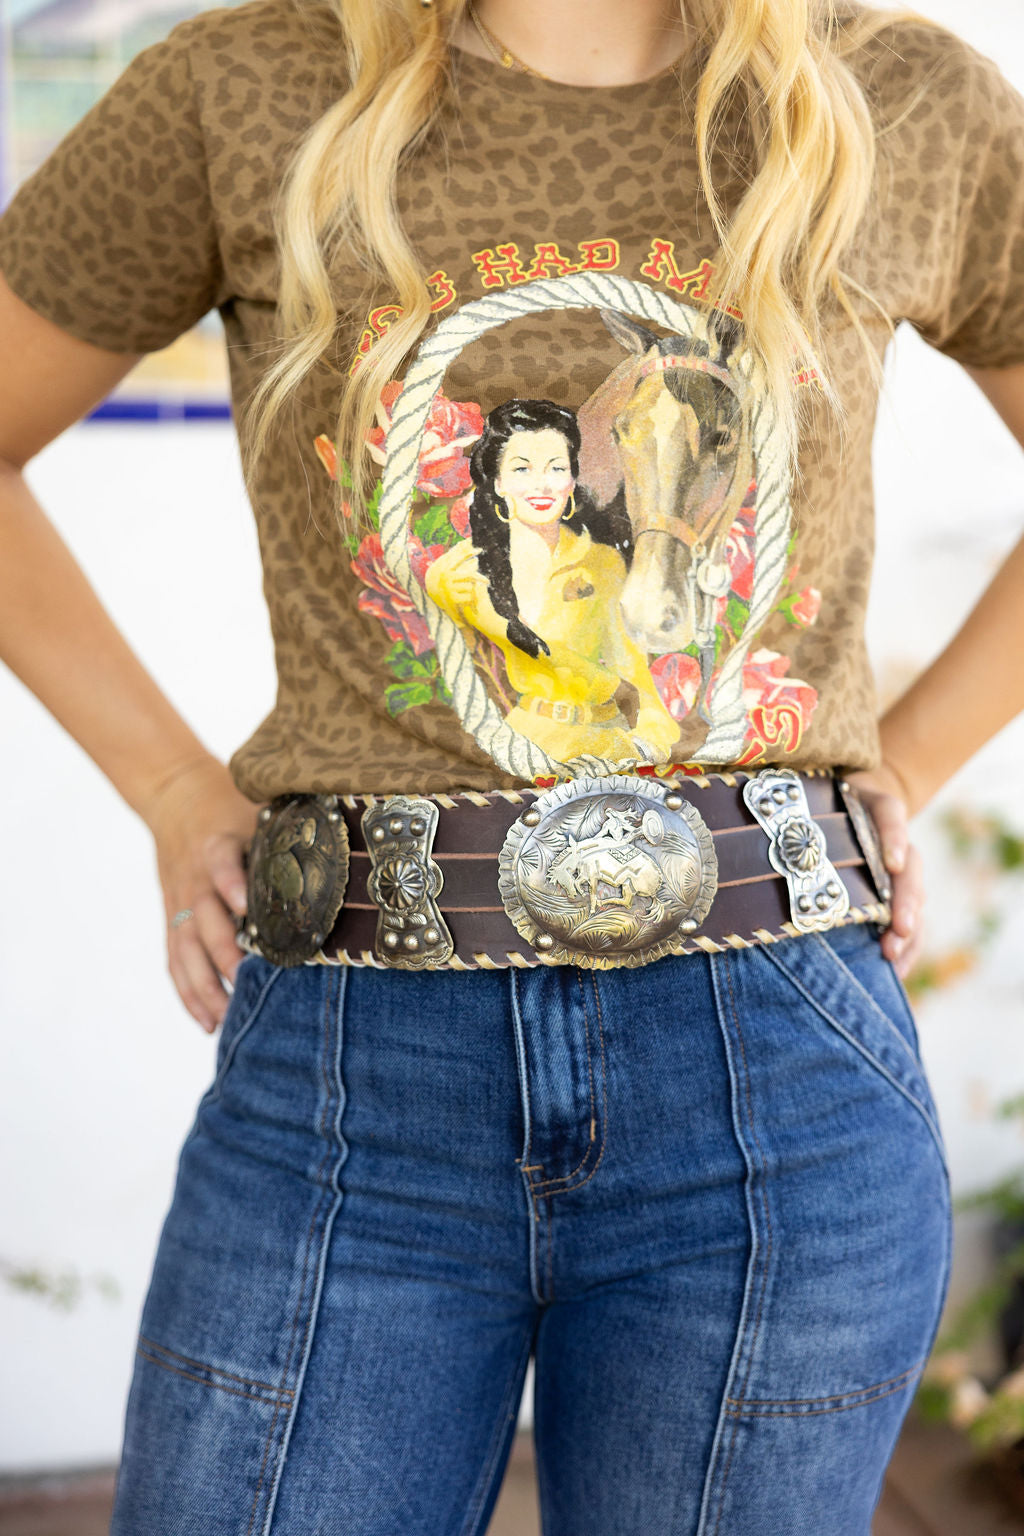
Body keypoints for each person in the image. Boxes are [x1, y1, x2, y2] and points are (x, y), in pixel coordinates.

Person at [1, 0, 1023, 1531]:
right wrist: (165, 787)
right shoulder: (244, 86)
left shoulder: (896, 95)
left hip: (773, 1078)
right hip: (351, 1069)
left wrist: (915, 755)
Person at [425, 396, 681, 761]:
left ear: (573, 479)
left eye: (556, 468)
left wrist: (651, 742)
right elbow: (445, 683)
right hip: (525, 741)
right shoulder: (456, 573)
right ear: (498, 482)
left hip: (606, 744)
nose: (542, 485)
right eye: (522, 469)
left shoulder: (602, 564)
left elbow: (633, 670)